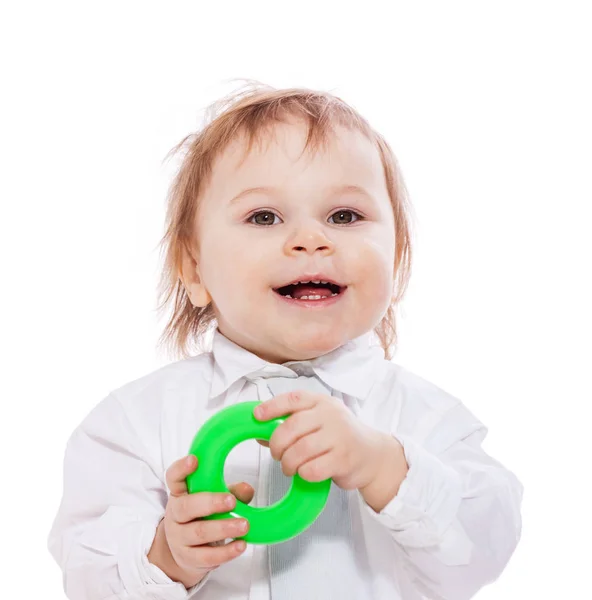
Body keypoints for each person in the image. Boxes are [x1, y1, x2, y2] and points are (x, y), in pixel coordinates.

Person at [47, 82, 524, 599]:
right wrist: (168, 555)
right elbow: (88, 575)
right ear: (193, 267)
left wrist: (386, 467)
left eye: (344, 216)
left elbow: (486, 547)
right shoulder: (134, 422)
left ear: (397, 257)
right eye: (264, 217)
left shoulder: (425, 417)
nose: (311, 239)